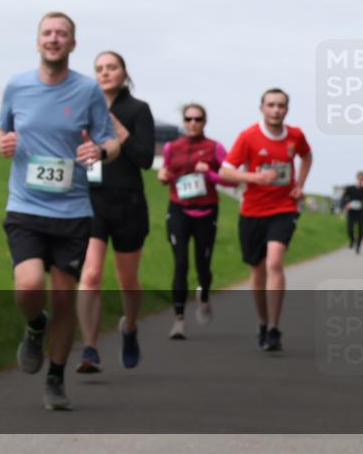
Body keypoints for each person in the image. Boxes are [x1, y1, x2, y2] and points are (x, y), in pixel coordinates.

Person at [0, 12, 119, 410]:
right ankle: (34, 327)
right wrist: (2, 142)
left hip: (72, 211)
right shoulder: (17, 85)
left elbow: (111, 141)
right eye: (47, 33)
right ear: (37, 42)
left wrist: (98, 151)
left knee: (65, 300)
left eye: (61, 34)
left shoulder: (87, 90)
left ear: (72, 44)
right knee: (29, 284)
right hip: (25, 205)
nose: (53, 39)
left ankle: (55, 377)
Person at [75, 52, 154, 371]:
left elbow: (146, 159)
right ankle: (89, 349)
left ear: (124, 73)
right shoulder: (84, 109)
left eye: (112, 68)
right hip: (91, 200)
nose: (105, 73)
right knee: (91, 274)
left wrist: (119, 130)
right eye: (99, 69)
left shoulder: (138, 110)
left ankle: (130, 327)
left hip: (128, 203)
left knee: (127, 280)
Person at [219, 89, 312, 352]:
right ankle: (262, 321)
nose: (276, 110)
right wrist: (255, 178)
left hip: (284, 208)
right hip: (252, 211)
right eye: (271, 105)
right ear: (261, 108)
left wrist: (300, 184)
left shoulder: (296, 136)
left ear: (287, 109)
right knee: (257, 270)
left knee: (274, 261)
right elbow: (226, 171)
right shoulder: (248, 136)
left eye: (281, 105)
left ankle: (273, 327)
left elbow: (307, 156)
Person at [157, 103, 234, 340]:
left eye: (198, 119)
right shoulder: (172, 147)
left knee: (203, 264)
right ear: (183, 121)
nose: (193, 123)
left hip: (206, 211)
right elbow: (165, 172)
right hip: (179, 209)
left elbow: (232, 180)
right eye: (188, 119)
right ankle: (178, 320)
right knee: (180, 263)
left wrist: (209, 173)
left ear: (204, 122)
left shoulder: (214, 148)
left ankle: (204, 294)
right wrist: (163, 175)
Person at [340, 172, 363, 254]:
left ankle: (358, 246)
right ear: (357, 178)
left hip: (360, 212)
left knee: (361, 230)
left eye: (362, 179)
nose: (360, 180)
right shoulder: (350, 188)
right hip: (351, 211)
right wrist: (347, 204)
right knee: (350, 228)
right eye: (359, 178)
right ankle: (352, 240)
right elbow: (343, 198)